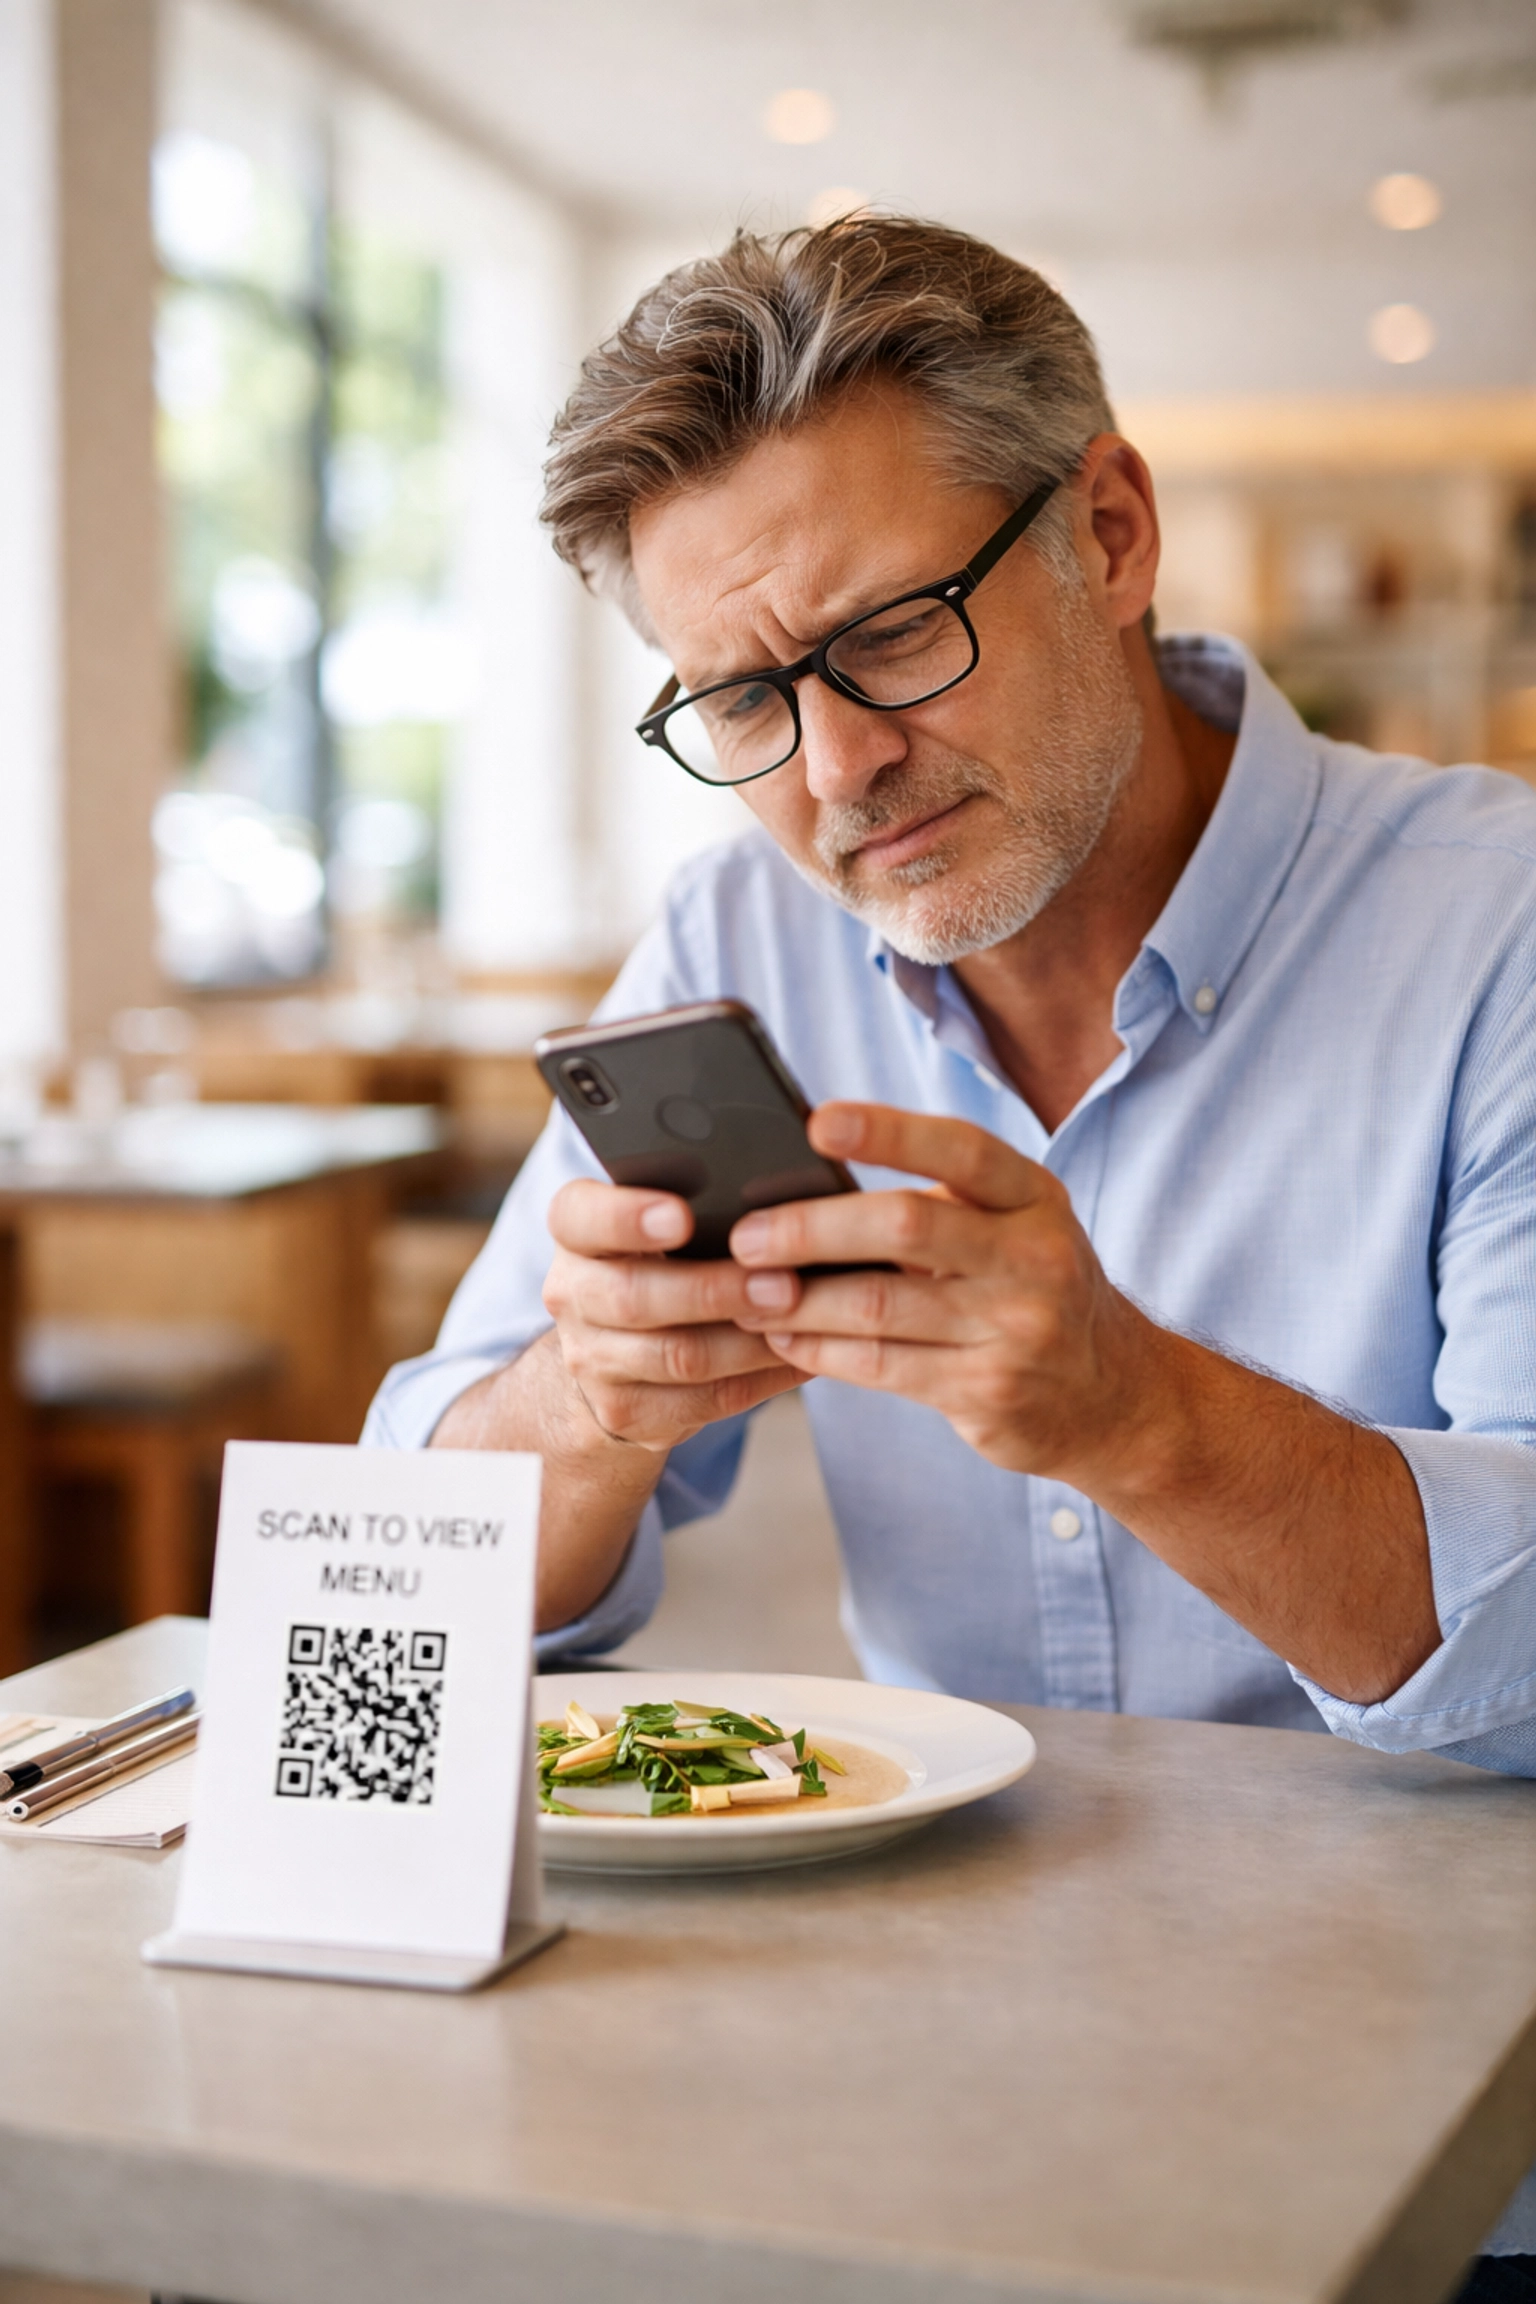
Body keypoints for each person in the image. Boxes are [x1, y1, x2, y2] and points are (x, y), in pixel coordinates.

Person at [365, 218, 1536, 2283]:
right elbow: (408, 1584)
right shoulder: (735, 943)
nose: (831, 777)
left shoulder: (1497, 932)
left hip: (1456, 2124)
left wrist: (1137, 1414)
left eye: (893, 634)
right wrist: (586, 1401)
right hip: (928, 2089)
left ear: (1107, 528)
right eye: (739, 695)